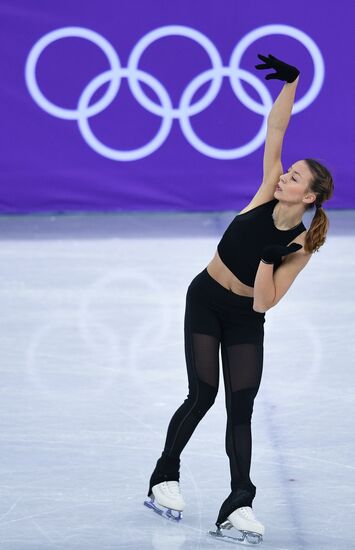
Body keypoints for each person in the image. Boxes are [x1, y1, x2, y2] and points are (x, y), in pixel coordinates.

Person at [143, 53, 334, 544]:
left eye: (295, 177)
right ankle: (164, 476)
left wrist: (270, 261)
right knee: (202, 394)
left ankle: (239, 503)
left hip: (246, 317)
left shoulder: (302, 247)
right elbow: (277, 129)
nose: (285, 175)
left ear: (308, 197)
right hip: (206, 298)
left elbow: (263, 305)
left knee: (241, 407)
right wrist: (292, 82)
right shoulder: (266, 192)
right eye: (288, 172)